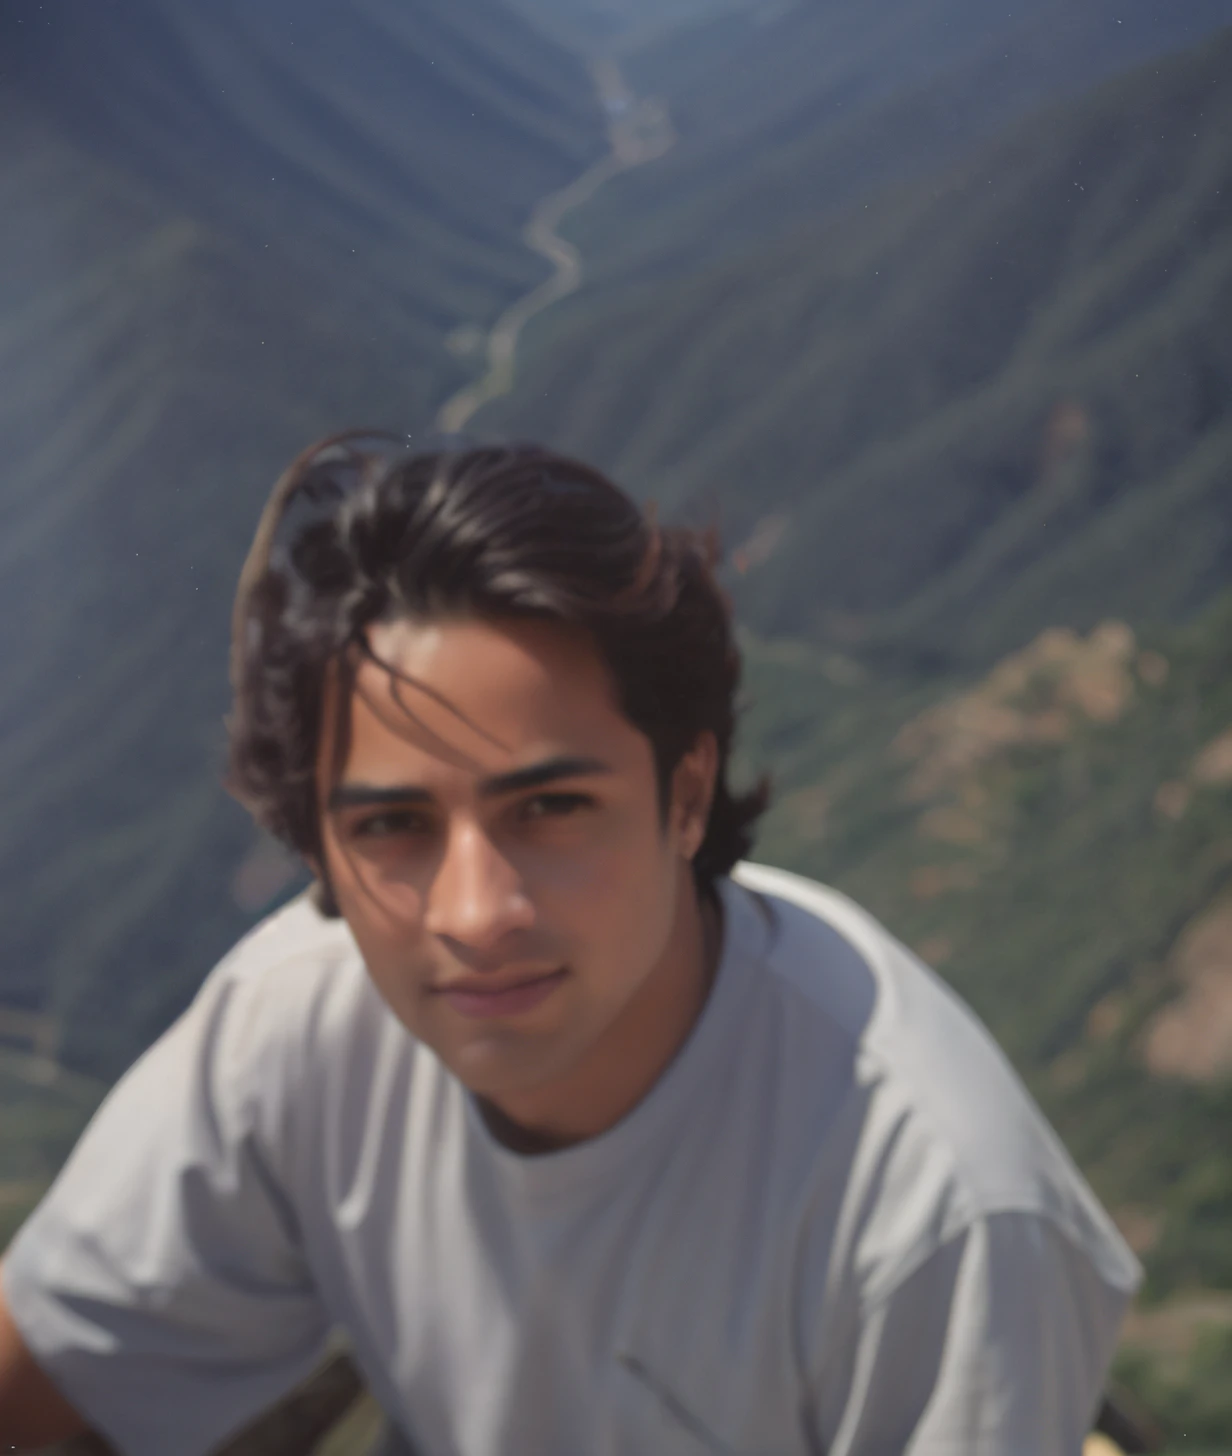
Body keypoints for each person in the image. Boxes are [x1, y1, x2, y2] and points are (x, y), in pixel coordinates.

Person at [0, 435, 1140, 1455]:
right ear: (319, 851)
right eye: (392, 826)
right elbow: (42, 1356)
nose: (473, 911)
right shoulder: (296, 1026)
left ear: (683, 796)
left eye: (547, 809)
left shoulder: (935, 1211)